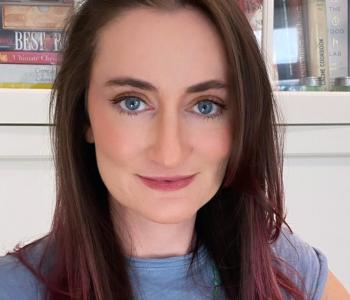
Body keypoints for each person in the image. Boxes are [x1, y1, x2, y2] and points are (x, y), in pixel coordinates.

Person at [0, 0, 349, 299]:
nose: (169, 153)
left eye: (206, 106)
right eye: (133, 103)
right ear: (83, 116)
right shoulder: (14, 287)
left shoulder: (287, 270)